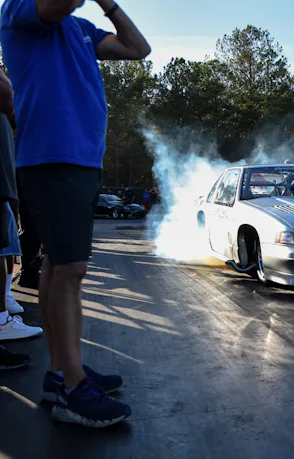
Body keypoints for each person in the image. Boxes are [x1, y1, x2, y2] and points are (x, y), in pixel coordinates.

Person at [1, 0, 151, 427]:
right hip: (53, 157)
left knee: (58, 265)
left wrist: (110, 5)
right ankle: (72, 387)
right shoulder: (19, 9)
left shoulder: (81, 27)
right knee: (72, 269)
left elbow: (138, 49)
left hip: (80, 159)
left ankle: (61, 374)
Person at [0, 68, 43, 346]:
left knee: (8, 243)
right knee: (5, 242)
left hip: (11, 177)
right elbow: (7, 96)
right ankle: (2, 319)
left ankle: (4, 302)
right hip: (10, 177)